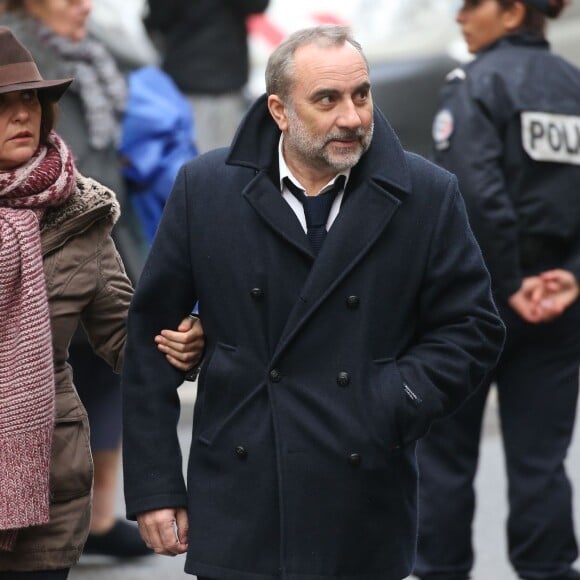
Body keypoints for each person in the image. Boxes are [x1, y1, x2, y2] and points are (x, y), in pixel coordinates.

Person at [121, 24, 505, 580]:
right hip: (240, 494)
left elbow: (472, 327)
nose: (352, 116)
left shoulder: (427, 193)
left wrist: (391, 400)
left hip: (363, 492)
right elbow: (149, 340)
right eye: (327, 99)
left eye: (361, 94)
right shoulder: (204, 189)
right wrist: (156, 487)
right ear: (279, 110)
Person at [0, 26, 203, 578]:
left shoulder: (79, 215)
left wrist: (181, 344)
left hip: (45, 491)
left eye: (30, 99)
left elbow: (124, 337)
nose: (22, 114)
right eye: (3, 104)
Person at [414, 2, 580, 579]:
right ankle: (549, 570)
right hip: (558, 300)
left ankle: (440, 571)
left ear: (512, 12)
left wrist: (508, 282)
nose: (460, 16)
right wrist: (571, 275)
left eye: (471, 4)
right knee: (542, 460)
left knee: (444, 459)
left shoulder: (474, 82)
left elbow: (474, 193)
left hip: (472, 303)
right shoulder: (574, 84)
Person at [144, 0, 270, 153]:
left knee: (198, 157)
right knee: (224, 158)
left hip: (193, 75)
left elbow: (156, 19)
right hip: (219, 76)